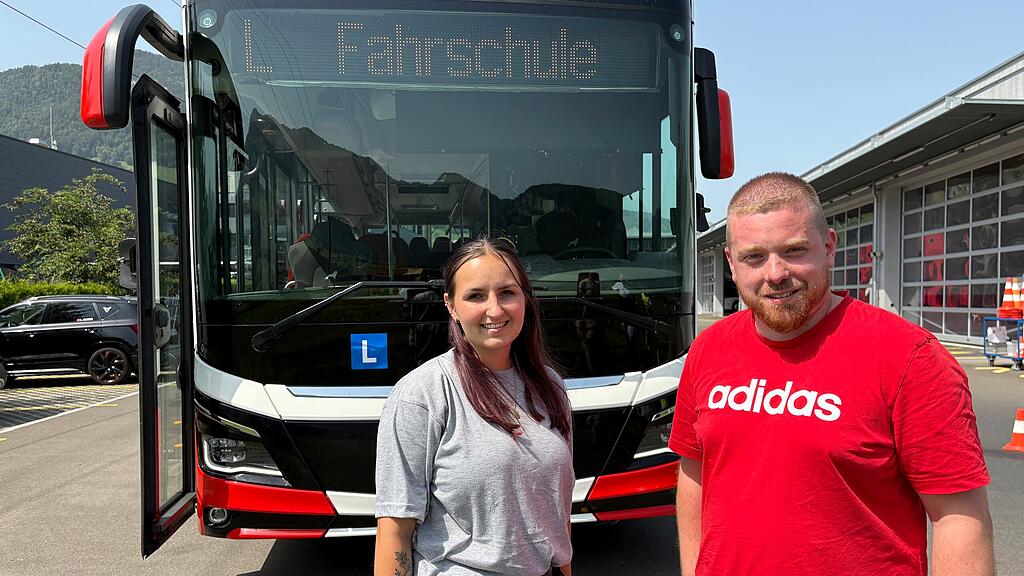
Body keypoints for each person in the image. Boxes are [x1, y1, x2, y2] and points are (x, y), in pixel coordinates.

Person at [670, 172, 994, 576]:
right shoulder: (708, 349)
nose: (775, 273)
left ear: (828, 247)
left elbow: (958, 517)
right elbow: (694, 473)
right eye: (754, 257)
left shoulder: (911, 359)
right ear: (731, 264)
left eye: (794, 250)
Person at [374, 237, 574, 576]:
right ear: (451, 305)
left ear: (525, 299)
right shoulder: (421, 394)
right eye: (476, 296)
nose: (495, 310)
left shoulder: (550, 386)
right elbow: (395, 530)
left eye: (507, 293)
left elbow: (558, 519)